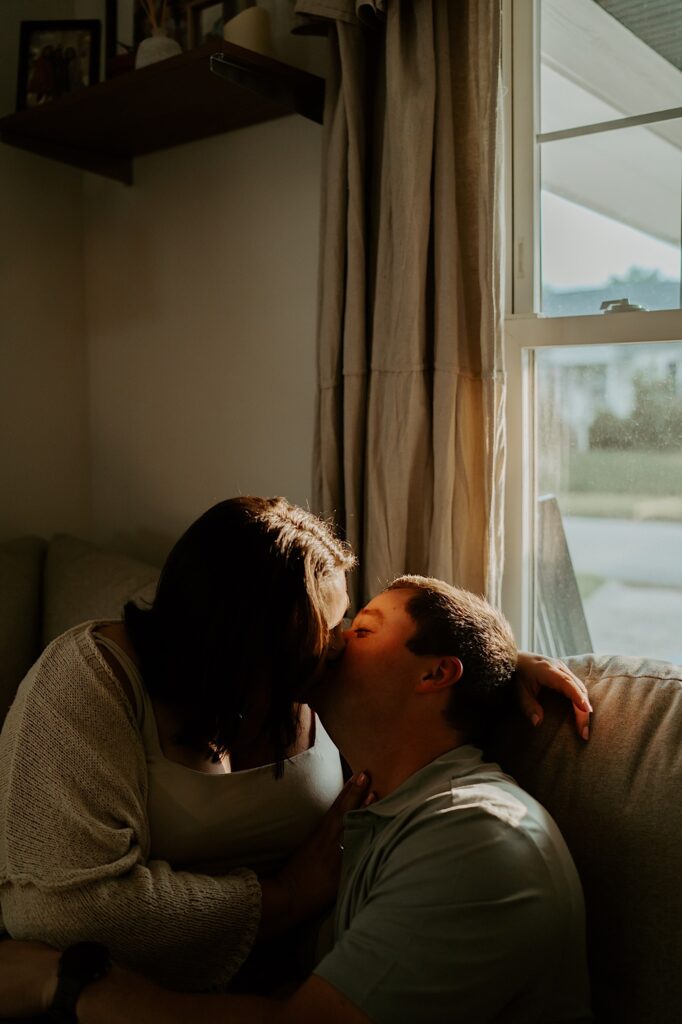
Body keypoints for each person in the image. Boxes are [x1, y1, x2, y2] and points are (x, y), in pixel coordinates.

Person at [0, 497, 591, 993]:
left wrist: (505, 664)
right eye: (330, 625)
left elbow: (418, 683)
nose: (342, 641)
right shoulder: (89, 681)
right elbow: (62, 912)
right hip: (119, 989)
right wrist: (282, 897)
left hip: (306, 983)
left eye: (350, 625)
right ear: (254, 639)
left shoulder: (313, 687)